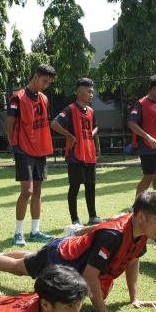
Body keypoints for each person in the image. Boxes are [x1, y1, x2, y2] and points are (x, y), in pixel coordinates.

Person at [0, 191, 156, 312]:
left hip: (72, 254)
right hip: (60, 257)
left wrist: (134, 298)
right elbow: (89, 275)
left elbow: (132, 260)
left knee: (29, 259)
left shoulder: (142, 232)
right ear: (141, 217)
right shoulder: (113, 236)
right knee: (20, 268)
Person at [7, 64, 58, 246]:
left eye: (49, 83)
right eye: (44, 81)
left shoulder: (43, 99)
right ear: (35, 76)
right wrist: (14, 145)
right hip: (23, 149)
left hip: (40, 149)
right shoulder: (17, 98)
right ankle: (18, 233)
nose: (46, 85)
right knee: (27, 190)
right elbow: (10, 124)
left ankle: (35, 231)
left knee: (37, 190)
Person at [50, 78, 102, 226]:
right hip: (76, 155)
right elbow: (54, 123)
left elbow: (96, 126)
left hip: (89, 154)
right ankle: (75, 219)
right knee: (75, 187)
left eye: (92, 92)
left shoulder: (90, 111)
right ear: (80, 92)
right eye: (88, 91)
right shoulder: (70, 109)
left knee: (90, 186)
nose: (91, 94)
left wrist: (92, 132)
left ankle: (93, 216)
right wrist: (70, 136)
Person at [128, 75, 156, 195]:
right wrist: (148, 137)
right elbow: (131, 123)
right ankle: (137, 205)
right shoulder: (141, 104)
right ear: (155, 88)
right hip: (147, 146)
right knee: (149, 176)